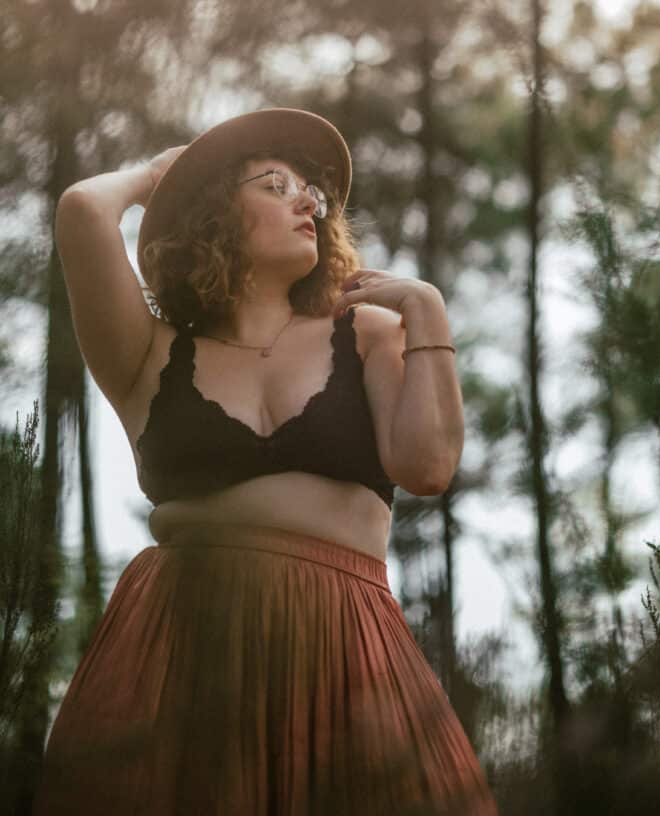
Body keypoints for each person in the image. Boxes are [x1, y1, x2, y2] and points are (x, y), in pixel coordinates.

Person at [32, 108, 498, 815]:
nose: (307, 199)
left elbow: (427, 466)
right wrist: (158, 177)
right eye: (275, 184)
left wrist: (426, 310)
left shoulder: (367, 332)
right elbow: (81, 209)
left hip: (344, 644)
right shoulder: (149, 355)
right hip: (178, 650)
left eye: (311, 191)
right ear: (215, 215)